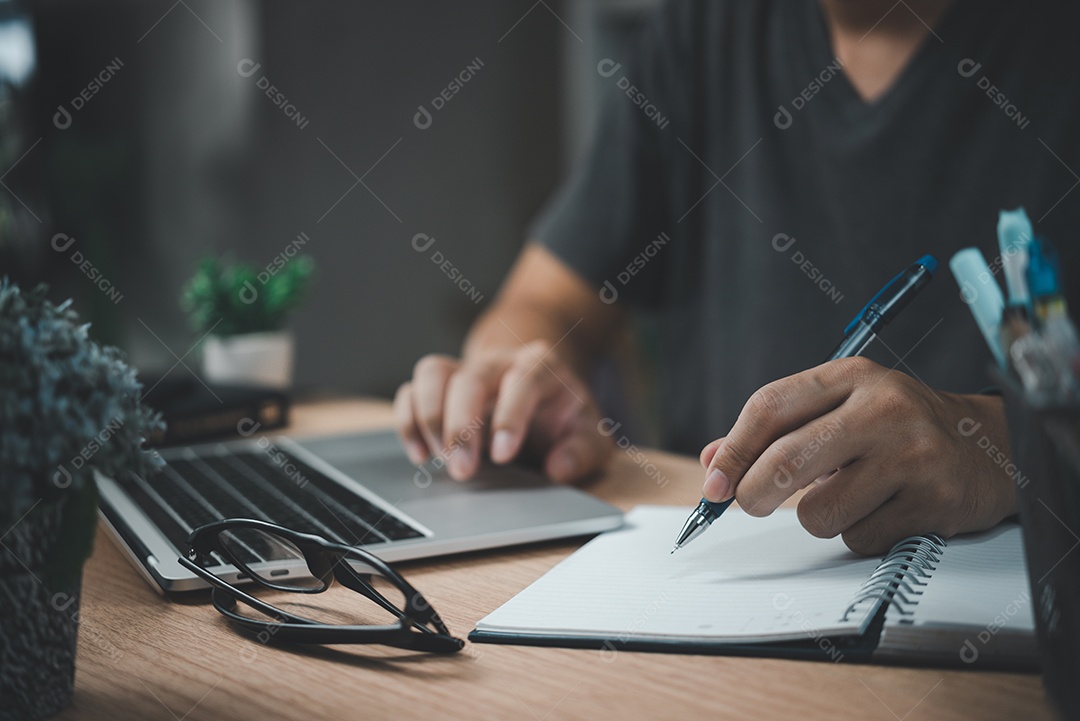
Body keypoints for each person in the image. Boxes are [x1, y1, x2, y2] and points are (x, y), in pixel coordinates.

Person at [394, 0, 1080, 555]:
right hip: (734, 595)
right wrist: (515, 374)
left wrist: (1002, 445)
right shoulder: (701, 28)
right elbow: (542, 300)